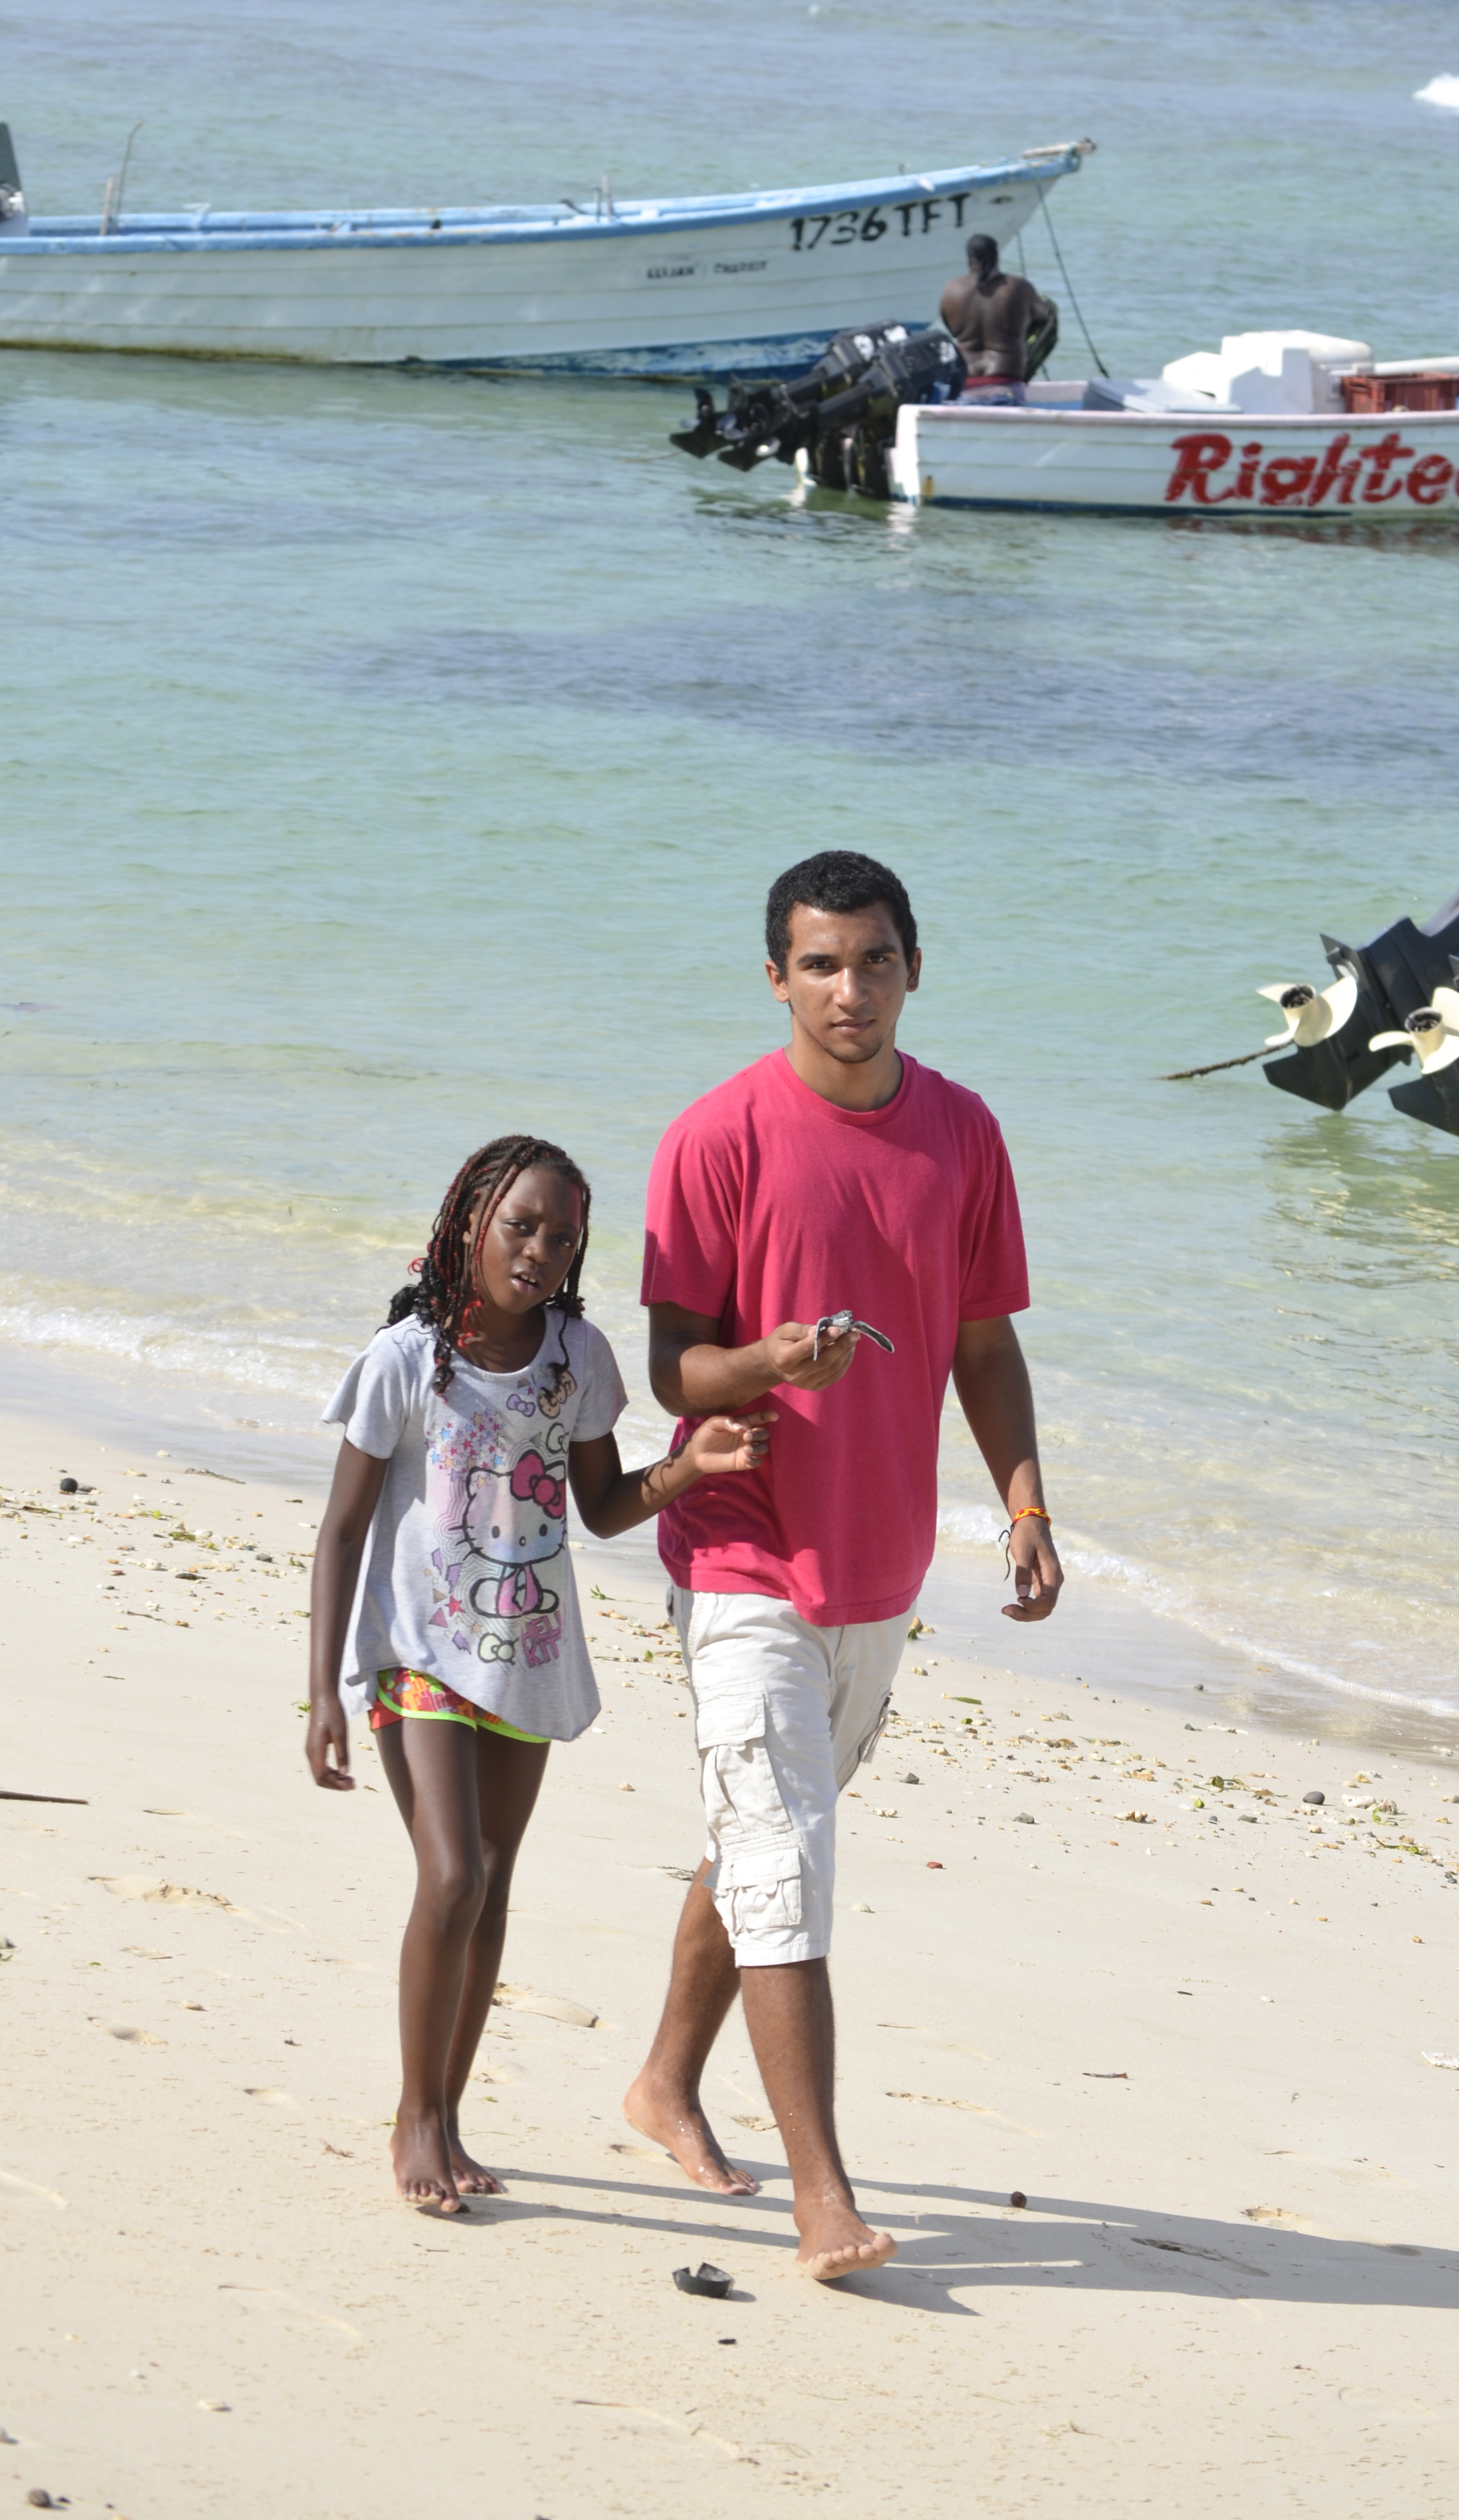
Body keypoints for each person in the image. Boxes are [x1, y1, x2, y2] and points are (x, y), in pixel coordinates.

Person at [622, 852, 1063, 2283]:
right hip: (741, 1550)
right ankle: (825, 2197)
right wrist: (765, 1362)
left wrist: (1025, 1502)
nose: (850, 989)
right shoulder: (717, 1138)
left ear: (914, 970)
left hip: (882, 1563)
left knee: (766, 1836)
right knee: (787, 1860)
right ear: (776, 979)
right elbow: (670, 1365)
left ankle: (663, 2081)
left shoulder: (965, 1134)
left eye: (875, 960)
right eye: (820, 963)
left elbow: (985, 1341)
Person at [305, 1131, 771, 2217]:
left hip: (526, 1653)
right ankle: (415, 2119)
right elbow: (340, 1531)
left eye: (562, 1236)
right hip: (417, 1652)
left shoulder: (579, 1356)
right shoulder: (405, 1360)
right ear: (469, 1223)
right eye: (520, 1226)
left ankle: (449, 2113)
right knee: (452, 1877)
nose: (540, 1251)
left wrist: (689, 1465)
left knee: (492, 1884)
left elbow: (600, 1506)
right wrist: (323, 1688)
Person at [939, 232, 1059, 407]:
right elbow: (1046, 315)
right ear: (997, 257)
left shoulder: (952, 289)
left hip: (965, 386)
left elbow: (952, 330)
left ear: (970, 260)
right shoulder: (1018, 287)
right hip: (1006, 385)